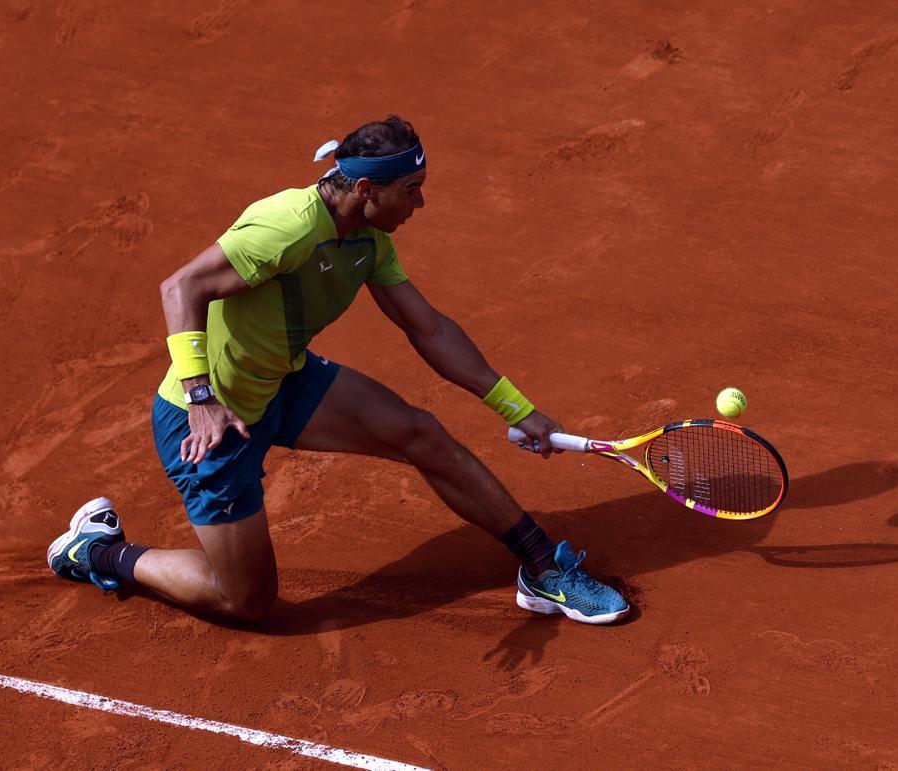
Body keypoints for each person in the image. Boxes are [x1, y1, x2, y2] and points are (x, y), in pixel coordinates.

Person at [47, 116, 629, 626]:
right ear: (368, 188)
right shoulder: (286, 226)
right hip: (210, 422)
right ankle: (96, 552)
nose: (420, 205)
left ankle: (541, 565)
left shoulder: (368, 235)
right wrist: (201, 396)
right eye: (413, 191)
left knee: (419, 432)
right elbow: (181, 287)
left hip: (284, 382)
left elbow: (428, 329)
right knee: (246, 600)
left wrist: (516, 409)